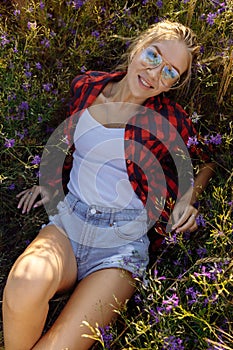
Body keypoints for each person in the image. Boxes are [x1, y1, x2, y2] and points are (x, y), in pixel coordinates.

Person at [3, 20, 215, 350]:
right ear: (139, 46)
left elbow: (206, 159)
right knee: (22, 286)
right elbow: (68, 139)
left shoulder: (170, 120)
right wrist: (50, 181)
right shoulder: (87, 86)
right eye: (153, 55)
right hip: (68, 222)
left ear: (174, 84)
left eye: (171, 72)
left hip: (122, 247)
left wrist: (189, 199)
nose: (155, 73)